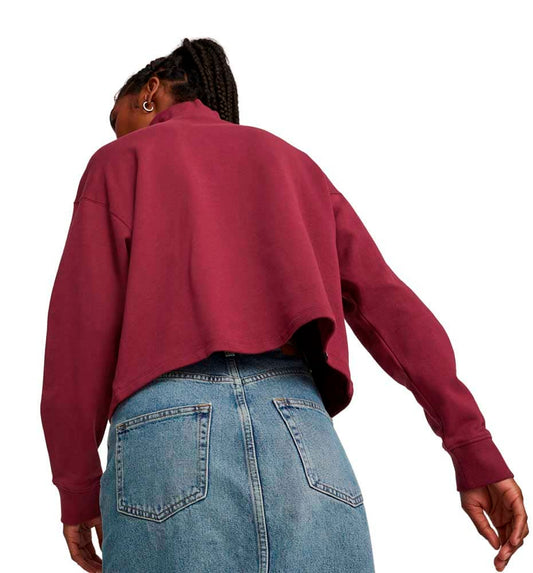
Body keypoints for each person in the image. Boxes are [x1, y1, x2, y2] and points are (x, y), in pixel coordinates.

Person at [40, 37, 527, 572]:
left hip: (164, 434)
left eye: (119, 118)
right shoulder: (294, 165)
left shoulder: (119, 163)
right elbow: (388, 306)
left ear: (150, 90)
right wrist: (471, 445)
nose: (118, 133)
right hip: (301, 432)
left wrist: (77, 489)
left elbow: (78, 335)